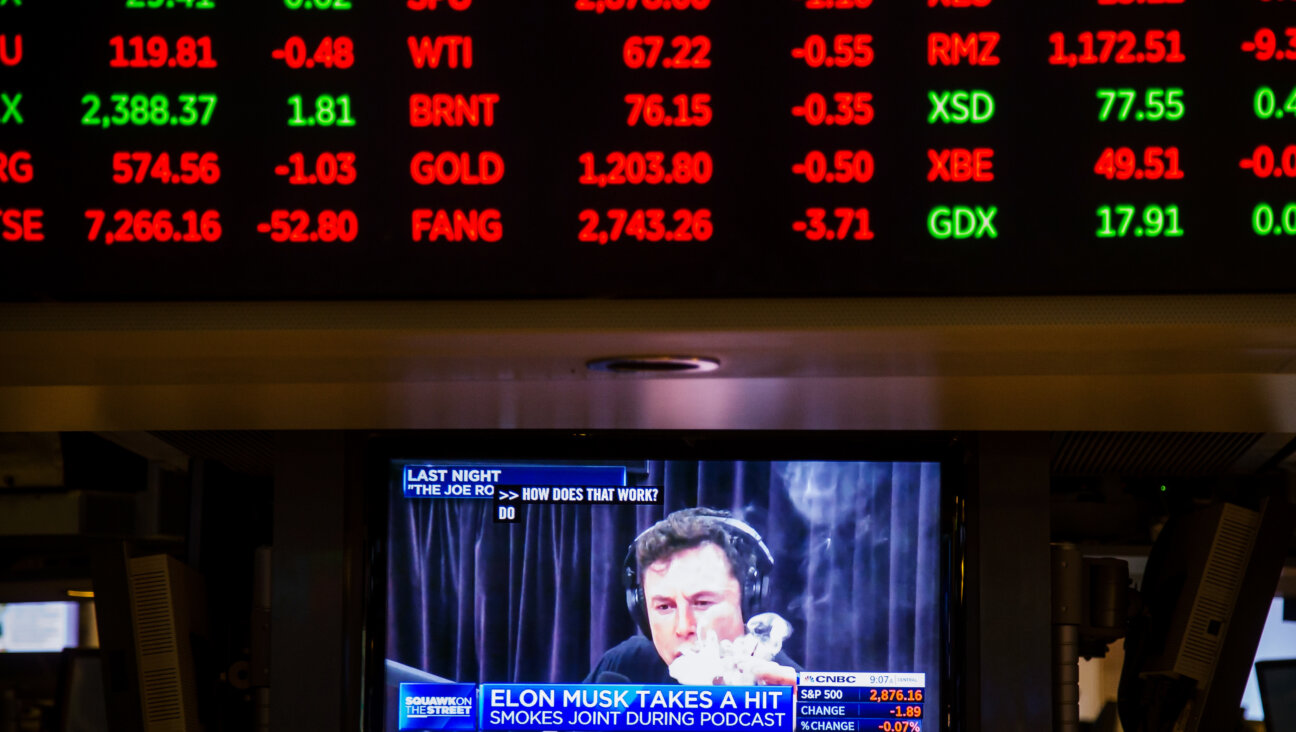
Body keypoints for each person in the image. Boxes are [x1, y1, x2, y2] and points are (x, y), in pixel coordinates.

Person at [584, 508, 800, 685]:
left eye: (702, 603)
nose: (683, 627)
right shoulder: (624, 667)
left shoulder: (788, 695)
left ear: (746, 602)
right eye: (664, 607)